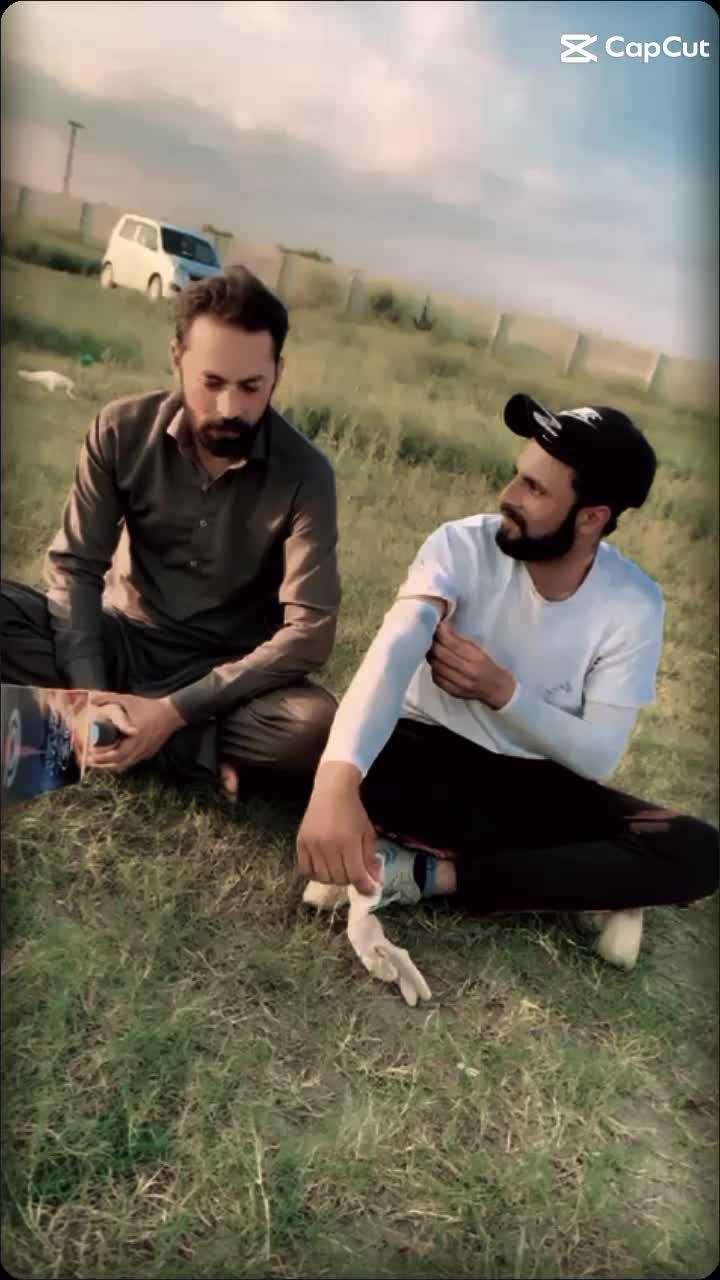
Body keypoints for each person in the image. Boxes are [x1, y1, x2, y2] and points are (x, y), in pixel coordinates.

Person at [296, 393, 719, 969]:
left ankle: (426, 874)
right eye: (519, 475)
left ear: (592, 517)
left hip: (530, 782)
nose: (509, 496)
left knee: (698, 851)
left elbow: (598, 755)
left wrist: (502, 692)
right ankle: (589, 881)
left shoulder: (634, 602)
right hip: (422, 754)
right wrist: (337, 784)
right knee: (336, 750)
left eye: (536, 489)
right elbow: (393, 653)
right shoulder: (460, 545)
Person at [1, 269, 341, 799]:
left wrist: (173, 712)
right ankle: (150, 738)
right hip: (120, 636)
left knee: (314, 726)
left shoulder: (307, 474)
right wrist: (93, 693)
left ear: (278, 371)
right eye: (212, 382)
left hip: (222, 675)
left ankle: (117, 733)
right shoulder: (120, 429)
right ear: (177, 357)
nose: (230, 408)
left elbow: (310, 632)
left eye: (251, 386)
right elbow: (75, 568)